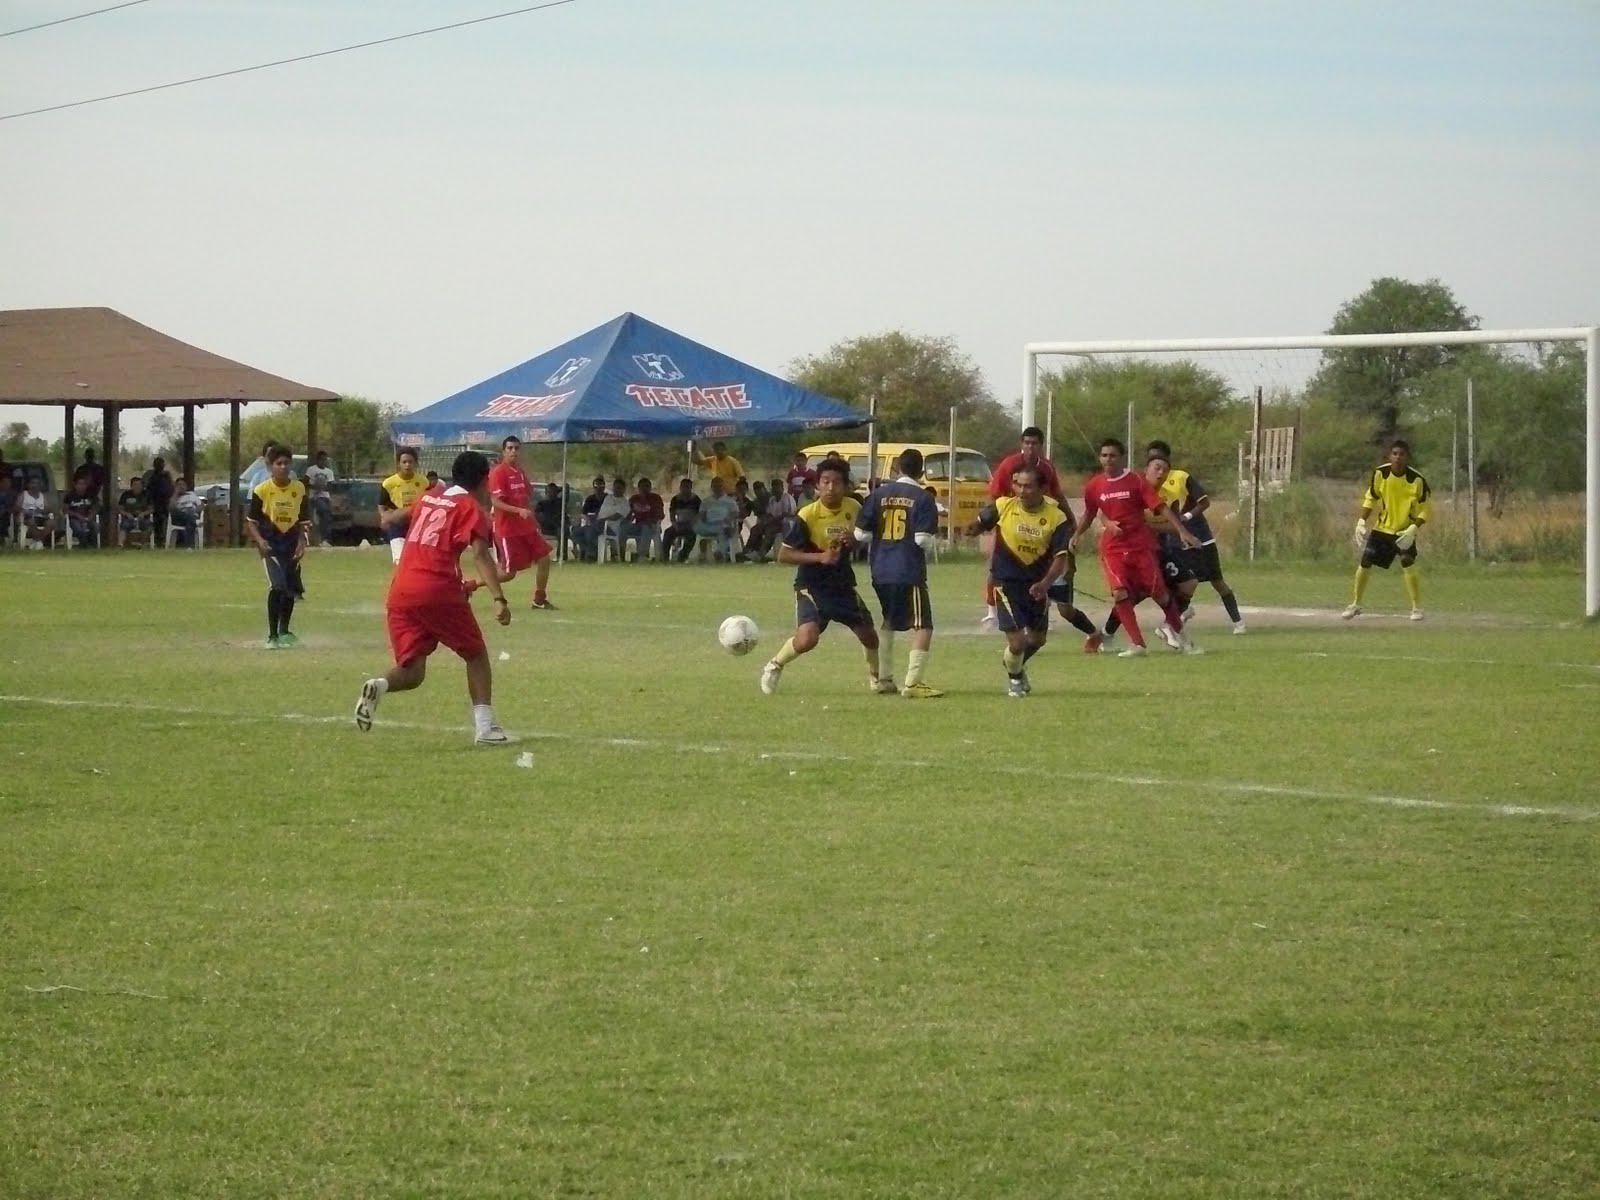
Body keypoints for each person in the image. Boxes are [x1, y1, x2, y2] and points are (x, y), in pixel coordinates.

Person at [354, 449, 513, 746]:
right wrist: (499, 598)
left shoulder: (429, 496)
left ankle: (379, 685)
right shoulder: (470, 508)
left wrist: (387, 517)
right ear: (482, 480)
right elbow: (480, 554)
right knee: (476, 655)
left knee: (413, 672)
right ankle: (486, 728)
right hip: (436, 588)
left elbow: (396, 518)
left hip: (401, 589)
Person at [760, 458, 882, 695]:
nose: (830, 487)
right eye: (825, 481)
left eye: (836, 482)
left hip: (843, 585)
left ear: (847, 486)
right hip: (811, 586)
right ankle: (774, 665)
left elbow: (866, 538)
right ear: (817, 484)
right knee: (808, 639)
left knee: (870, 637)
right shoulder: (808, 515)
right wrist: (820, 558)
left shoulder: (854, 508)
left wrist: (855, 542)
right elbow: (784, 555)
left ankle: (877, 679)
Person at [1071, 438, 1201, 658]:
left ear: (1121, 458)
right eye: (1104, 455)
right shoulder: (1094, 485)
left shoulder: (1135, 482)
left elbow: (1160, 508)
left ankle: (1183, 638)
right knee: (1120, 593)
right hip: (1112, 550)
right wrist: (1076, 534)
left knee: (1160, 595)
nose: (1107, 460)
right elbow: (1091, 513)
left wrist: (1182, 531)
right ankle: (1137, 644)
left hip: (1140, 547)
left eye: (1112, 455)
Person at [965, 464, 1074, 697]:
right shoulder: (1004, 506)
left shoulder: (1057, 517)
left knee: (1037, 639)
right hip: (1005, 582)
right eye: (1018, 485)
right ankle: (1014, 679)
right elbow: (982, 521)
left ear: (1043, 488)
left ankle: (1013, 664)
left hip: (1037, 586)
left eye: (1028, 486)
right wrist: (973, 528)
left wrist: (1045, 584)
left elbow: (1060, 558)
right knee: (1017, 642)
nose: (1022, 491)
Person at [854, 448, 944, 698]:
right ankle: (913, 683)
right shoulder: (923, 498)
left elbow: (860, 534)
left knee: (889, 620)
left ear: (897, 469)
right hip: (907, 569)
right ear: (922, 471)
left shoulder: (877, 495)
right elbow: (922, 540)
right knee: (923, 625)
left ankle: (883, 678)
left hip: (880, 569)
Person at [1146, 440, 1246, 634]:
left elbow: (1204, 502)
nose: (1155, 462)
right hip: (1174, 540)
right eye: (1151, 458)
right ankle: (1176, 619)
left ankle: (1238, 622)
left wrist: (1186, 517)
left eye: (1159, 457)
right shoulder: (1145, 484)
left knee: (1216, 580)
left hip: (1199, 537)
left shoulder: (1180, 477)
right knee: (1179, 582)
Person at [981, 426, 1066, 629]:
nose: (1029, 447)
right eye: (1026, 443)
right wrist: (991, 520)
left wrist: (1070, 520)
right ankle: (992, 611)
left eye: (1034, 443)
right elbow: (994, 494)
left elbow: (1057, 494)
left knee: (1041, 567)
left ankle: (1040, 611)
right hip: (1010, 520)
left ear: (1041, 446)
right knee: (996, 566)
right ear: (1021, 445)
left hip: (1037, 522)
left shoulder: (1047, 468)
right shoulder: (1009, 465)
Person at [1344, 439, 1431, 621]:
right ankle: (1356, 603)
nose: (1398, 458)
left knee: (1407, 561)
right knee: (1366, 561)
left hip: (1404, 530)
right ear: (1389, 456)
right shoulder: (1380, 474)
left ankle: (1417, 608)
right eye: (1395, 454)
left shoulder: (1416, 480)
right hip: (1382, 528)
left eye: (1402, 454)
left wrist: (1414, 528)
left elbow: (1425, 509)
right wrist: (1361, 521)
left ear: (1408, 458)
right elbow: (1371, 498)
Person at [247, 445, 309, 649]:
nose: (283, 467)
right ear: (270, 466)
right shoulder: (262, 490)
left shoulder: (298, 489)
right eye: (278, 463)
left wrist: (301, 543)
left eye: (286, 463)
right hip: (271, 545)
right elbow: (252, 521)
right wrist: (260, 541)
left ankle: (285, 631)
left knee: (290, 588)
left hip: (291, 544)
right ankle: (272, 636)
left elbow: (303, 521)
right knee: (278, 586)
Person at [487, 436, 556, 609]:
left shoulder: (520, 472)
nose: (514, 452)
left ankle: (539, 599)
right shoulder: (498, 473)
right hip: (508, 530)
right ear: (503, 451)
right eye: (510, 448)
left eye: (517, 448)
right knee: (508, 573)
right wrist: (518, 511)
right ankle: (470, 584)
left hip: (526, 527)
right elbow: (496, 502)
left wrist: (533, 520)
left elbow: (526, 499)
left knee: (544, 558)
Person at [378, 447, 430, 565]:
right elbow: (382, 504)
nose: (407, 465)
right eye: (404, 462)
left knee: (419, 559)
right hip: (397, 523)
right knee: (400, 560)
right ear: (398, 464)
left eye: (410, 462)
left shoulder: (424, 482)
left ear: (416, 463)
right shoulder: (388, 483)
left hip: (417, 524)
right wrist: (383, 518)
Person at [694, 476, 740, 563]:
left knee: (723, 531)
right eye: (715, 486)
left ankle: (718, 553)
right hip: (709, 525)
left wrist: (729, 518)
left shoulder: (730, 501)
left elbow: (735, 513)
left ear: (723, 487)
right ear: (711, 487)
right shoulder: (706, 501)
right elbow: (702, 514)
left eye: (719, 486)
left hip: (723, 523)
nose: (717, 488)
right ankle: (720, 552)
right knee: (697, 527)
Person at [623, 477, 664, 562]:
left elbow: (660, 515)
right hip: (638, 525)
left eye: (647, 486)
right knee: (622, 528)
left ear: (650, 488)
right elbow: (628, 513)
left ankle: (642, 555)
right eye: (642, 486)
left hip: (652, 525)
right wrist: (628, 520)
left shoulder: (655, 498)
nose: (644, 489)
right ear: (638, 488)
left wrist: (652, 521)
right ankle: (619, 554)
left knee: (646, 527)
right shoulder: (634, 499)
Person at [663, 478, 701, 563]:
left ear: (691, 488)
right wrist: (674, 524)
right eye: (683, 487)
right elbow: (672, 513)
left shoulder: (696, 499)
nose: (685, 489)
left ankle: (683, 556)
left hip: (691, 524)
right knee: (668, 533)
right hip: (679, 523)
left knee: (692, 535)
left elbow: (699, 514)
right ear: (680, 487)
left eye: (687, 487)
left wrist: (693, 523)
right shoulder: (675, 499)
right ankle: (665, 557)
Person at [304, 450, 336, 546]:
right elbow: (305, 482)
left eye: (325, 460)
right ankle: (312, 539)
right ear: (317, 460)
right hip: (314, 497)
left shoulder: (329, 472)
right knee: (315, 517)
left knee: (326, 517)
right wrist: (314, 487)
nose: (323, 462)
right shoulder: (311, 470)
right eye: (321, 460)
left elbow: (331, 486)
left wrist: (322, 487)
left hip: (325, 496)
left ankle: (325, 539)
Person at [143, 456, 175, 544]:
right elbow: (145, 485)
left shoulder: (167, 475)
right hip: (153, 500)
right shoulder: (150, 474)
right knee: (155, 523)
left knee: (163, 522)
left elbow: (171, 487)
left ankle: (162, 540)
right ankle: (153, 541)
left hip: (164, 501)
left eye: (161, 464)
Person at [169, 477, 205, 547]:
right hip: (179, 517)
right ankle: (190, 546)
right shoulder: (174, 496)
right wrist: (176, 493)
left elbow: (201, 505)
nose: (181, 487)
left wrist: (196, 510)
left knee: (190, 519)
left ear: (186, 486)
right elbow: (171, 508)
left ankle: (189, 546)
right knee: (189, 517)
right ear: (175, 486)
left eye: (183, 485)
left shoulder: (192, 494)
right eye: (179, 485)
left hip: (192, 514)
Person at [64, 476, 99, 548]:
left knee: (95, 527)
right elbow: (65, 510)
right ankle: (84, 545)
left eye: (83, 484)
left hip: (89, 518)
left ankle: (93, 545)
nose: (81, 486)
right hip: (74, 519)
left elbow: (96, 508)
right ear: (75, 485)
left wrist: (90, 516)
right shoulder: (69, 496)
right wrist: (77, 516)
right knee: (79, 529)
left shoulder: (91, 495)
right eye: (79, 484)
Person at [117, 475, 153, 545]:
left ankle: (142, 544)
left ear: (142, 486)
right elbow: (120, 508)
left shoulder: (147, 495)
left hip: (143, 518)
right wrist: (126, 514)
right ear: (131, 486)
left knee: (149, 527)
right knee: (124, 526)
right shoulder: (126, 494)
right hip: (129, 518)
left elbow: (151, 509)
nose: (137, 487)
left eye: (139, 485)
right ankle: (120, 544)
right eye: (135, 485)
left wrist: (144, 513)